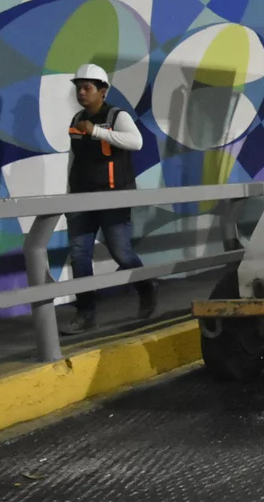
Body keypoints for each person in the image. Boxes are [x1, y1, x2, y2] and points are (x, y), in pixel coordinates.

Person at [61, 64, 156, 335]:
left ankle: (146, 286)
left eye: (87, 87)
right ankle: (85, 313)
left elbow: (136, 142)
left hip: (113, 196)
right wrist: (68, 195)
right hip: (80, 198)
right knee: (80, 255)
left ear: (102, 91)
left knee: (121, 252)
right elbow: (74, 158)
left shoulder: (117, 115)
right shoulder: (77, 119)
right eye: (78, 87)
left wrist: (97, 131)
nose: (81, 92)